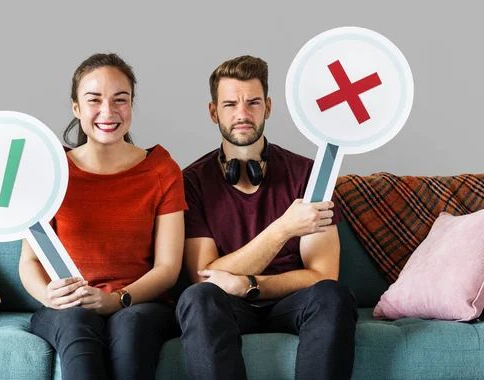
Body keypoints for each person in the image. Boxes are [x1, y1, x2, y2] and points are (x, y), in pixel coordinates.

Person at [176, 55, 358, 380]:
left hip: (292, 302)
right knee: (198, 298)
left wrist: (249, 284)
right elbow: (206, 277)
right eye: (230, 104)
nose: (243, 114)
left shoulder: (309, 175)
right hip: (227, 306)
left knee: (334, 296)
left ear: (268, 107)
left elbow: (322, 275)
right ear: (213, 112)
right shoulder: (192, 182)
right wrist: (284, 228)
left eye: (253, 102)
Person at [19, 53, 187, 380]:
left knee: (131, 333)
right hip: (68, 307)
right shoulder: (51, 172)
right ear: (76, 108)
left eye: (119, 100)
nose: (108, 112)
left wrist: (116, 300)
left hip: (137, 304)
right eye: (94, 100)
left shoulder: (162, 170)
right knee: (76, 326)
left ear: (131, 106)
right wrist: (47, 296)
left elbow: (168, 269)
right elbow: (29, 261)